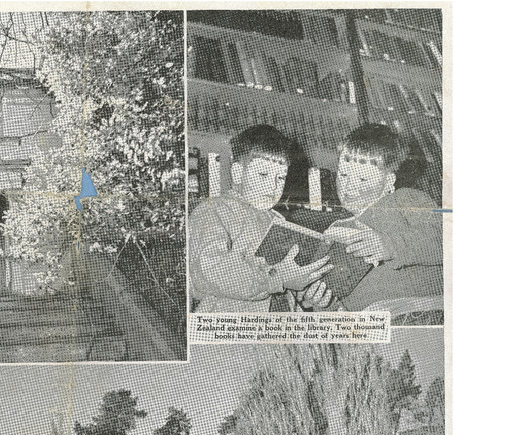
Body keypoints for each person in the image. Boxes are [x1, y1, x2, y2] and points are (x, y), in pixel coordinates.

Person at [295, 123, 443, 312]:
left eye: (363, 178)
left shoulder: (405, 198)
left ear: (389, 181)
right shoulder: (335, 230)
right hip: (365, 328)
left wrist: (388, 245)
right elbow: (334, 302)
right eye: (344, 174)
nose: (349, 186)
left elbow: (445, 240)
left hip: (416, 314)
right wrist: (322, 301)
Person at [190, 125, 332, 312]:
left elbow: (287, 283)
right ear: (238, 173)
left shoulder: (278, 221)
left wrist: (308, 293)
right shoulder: (214, 210)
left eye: (280, 178)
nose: (273, 186)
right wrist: (278, 278)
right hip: (233, 330)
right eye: (263, 174)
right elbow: (209, 271)